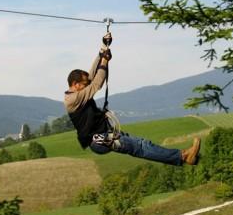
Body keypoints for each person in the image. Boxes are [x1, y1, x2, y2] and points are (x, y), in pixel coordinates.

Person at [64, 32, 200, 166]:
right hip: (99, 140)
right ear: (75, 85)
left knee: (142, 145)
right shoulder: (72, 99)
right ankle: (183, 156)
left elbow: (92, 76)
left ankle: (183, 156)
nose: (87, 85)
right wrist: (104, 60)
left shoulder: (77, 93)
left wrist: (103, 49)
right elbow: (96, 83)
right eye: (84, 84)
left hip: (104, 134)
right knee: (140, 146)